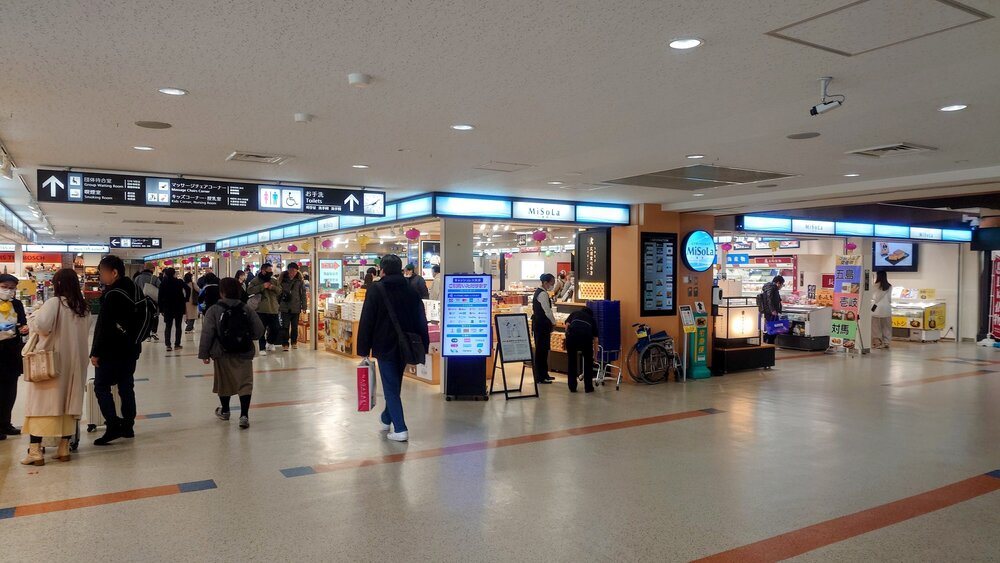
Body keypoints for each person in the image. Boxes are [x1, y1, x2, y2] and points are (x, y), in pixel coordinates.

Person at [357, 254, 430, 442]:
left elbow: (367, 320)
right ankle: (386, 417)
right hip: (407, 345)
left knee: (390, 386)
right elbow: (421, 318)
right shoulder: (411, 289)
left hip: (385, 345)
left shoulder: (376, 289)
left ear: (382, 270)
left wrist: (363, 348)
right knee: (394, 384)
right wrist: (425, 343)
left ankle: (400, 428)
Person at [20, 269, 89, 465]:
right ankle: (63, 449)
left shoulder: (54, 303)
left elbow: (42, 326)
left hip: (51, 363)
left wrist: (33, 317)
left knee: (41, 405)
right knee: (68, 405)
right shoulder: (82, 307)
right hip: (75, 365)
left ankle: (35, 452)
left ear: (58, 284)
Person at [199, 277, 264, 430]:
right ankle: (244, 416)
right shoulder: (246, 308)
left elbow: (207, 333)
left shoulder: (214, 310)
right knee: (245, 384)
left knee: (224, 383)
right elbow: (259, 330)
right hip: (244, 352)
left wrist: (204, 354)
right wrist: (246, 337)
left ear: (221, 292)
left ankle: (226, 411)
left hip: (222, 353)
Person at [90, 255, 142, 445]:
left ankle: (112, 426)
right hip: (131, 348)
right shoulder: (135, 288)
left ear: (114, 272)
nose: (101, 276)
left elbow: (103, 327)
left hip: (111, 351)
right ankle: (128, 426)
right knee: (126, 387)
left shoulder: (113, 294)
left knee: (101, 387)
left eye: (103, 272)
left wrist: (95, 353)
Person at [0, 273, 29, 440]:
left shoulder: (17, 304)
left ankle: (6, 423)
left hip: (11, 351)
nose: (8, 291)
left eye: (12, 288)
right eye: (5, 287)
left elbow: (23, 323)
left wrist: (24, 329)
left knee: (10, 389)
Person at [246, 262, 281, 356]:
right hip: (260, 309)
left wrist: (272, 287)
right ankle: (261, 347)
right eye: (268, 271)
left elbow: (279, 291)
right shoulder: (255, 280)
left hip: (273, 307)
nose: (270, 273)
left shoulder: (273, 280)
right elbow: (249, 290)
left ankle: (270, 342)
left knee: (276, 328)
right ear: (263, 271)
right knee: (261, 329)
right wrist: (262, 286)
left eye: (271, 271)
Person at [565, 306, 599, 393]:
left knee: (571, 362)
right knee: (588, 362)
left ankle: (572, 387)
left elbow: (567, 325)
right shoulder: (592, 320)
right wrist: (595, 357)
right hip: (585, 338)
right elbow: (596, 340)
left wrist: (568, 336)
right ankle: (588, 387)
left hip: (572, 337)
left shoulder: (575, 313)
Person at [531, 273, 557, 384]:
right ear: (545, 282)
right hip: (541, 325)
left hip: (540, 325)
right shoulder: (542, 294)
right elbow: (547, 311)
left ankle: (544, 374)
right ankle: (540, 377)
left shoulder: (541, 292)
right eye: (552, 283)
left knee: (543, 350)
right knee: (541, 351)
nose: (552, 285)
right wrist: (553, 322)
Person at [278, 262, 308, 351]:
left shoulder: (299, 281)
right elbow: (278, 293)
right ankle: (285, 344)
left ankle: (294, 342)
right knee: (285, 326)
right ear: (288, 270)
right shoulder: (282, 280)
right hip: (284, 307)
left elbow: (303, 294)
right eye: (291, 270)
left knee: (294, 327)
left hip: (296, 307)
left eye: (295, 271)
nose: (293, 273)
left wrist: (304, 306)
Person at [157, 268, 187, 352]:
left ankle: (168, 345)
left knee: (168, 326)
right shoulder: (179, 282)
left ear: (165, 274)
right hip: (178, 307)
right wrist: (185, 299)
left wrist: (161, 308)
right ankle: (177, 344)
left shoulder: (163, 283)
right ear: (174, 274)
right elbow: (188, 289)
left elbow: (160, 297)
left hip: (167, 307)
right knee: (178, 326)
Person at [134, 265, 160, 341]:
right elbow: (160, 287)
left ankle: (147, 334)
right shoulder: (154, 278)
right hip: (153, 301)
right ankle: (154, 332)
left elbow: (134, 289)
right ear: (152, 269)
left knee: (143, 317)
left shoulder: (137, 278)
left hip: (140, 301)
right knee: (154, 316)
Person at [760, 275, 785, 345]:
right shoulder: (772, 288)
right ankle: (767, 341)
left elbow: (773, 298)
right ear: (778, 283)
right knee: (774, 328)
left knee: (773, 328)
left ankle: (768, 341)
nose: (781, 286)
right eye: (782, 284)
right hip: (771, 312)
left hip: (771, 311)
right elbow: (769, 299)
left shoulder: (772, 288)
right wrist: (772, 310)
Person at [871, 271, 893, 349]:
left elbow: (871, 297)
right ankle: (886, 342)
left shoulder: (874, 286)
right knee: (886, 326)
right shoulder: (889, 286)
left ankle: (878, 343)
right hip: (887, 309)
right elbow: (890, 299)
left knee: (876, 327)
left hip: (876, 309)